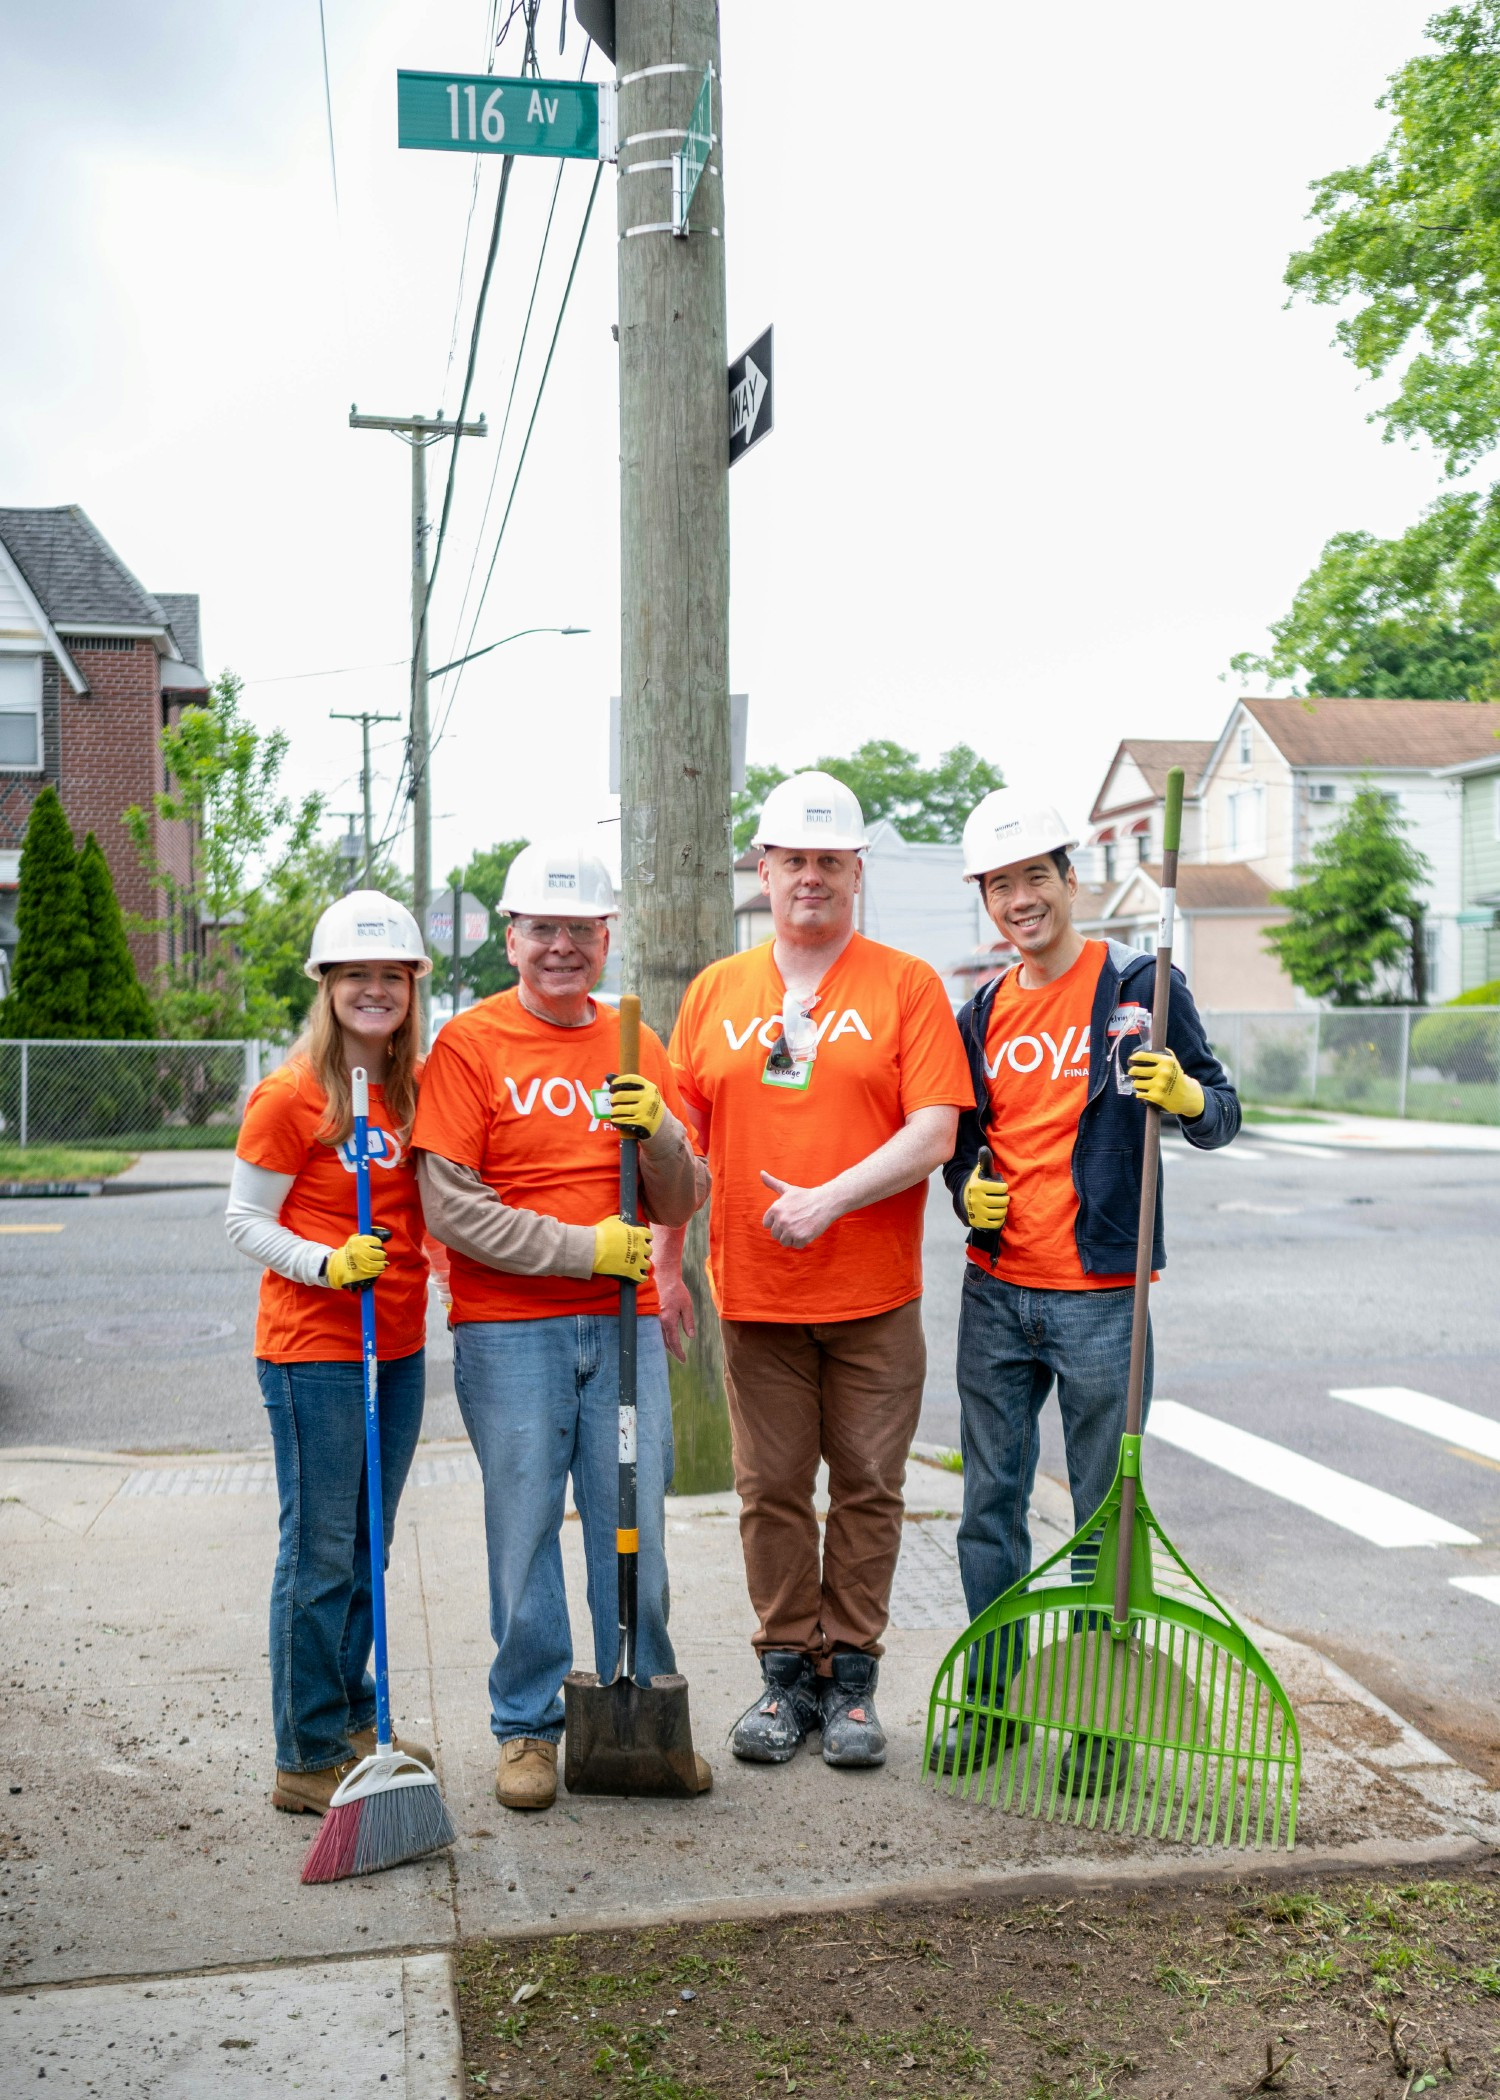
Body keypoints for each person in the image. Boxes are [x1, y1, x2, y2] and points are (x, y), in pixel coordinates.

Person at [660, 771, 973, 1770]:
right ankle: (786, 1678)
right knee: (771, 1491)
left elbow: (934, 1132)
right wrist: (667, 1267)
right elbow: (678, 1151)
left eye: (829, 861)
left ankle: (854, 1688)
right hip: (752, 1294)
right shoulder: (716, 993)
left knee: (872, 1490)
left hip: (875, 1295)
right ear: (763, 867)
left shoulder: (905, 984)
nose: (810, 877)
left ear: (855, 872)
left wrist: (830, 1197)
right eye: (793, 858)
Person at [936, 789, 1240, 1786]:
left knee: (1104, 1514)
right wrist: (967, 1193)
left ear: (1071, 880)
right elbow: (964, 1152)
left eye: (1035, 878)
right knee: (990, 1507)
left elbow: (1222, 1111)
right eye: (1000, 886)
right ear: (986, 900)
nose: (1020, 900)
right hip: (997, 1296)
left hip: (1105, 1295)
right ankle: (994, 1700)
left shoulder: (1144, 984)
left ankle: (1101, 1714)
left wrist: (1187, 1096)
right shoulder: (979, 1010)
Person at [411, 841, 710, 1813]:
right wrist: (587, 1250)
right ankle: (527, 1729)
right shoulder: (469, 1046)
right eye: (543, 928)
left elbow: (685, 1195)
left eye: (580, 929)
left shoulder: (636, 1043)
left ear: (604, 937)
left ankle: (643, 1711)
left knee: (636, 1528)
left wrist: (657, 1127)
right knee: (525, 1530)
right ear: (510, 937)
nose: (562, 947)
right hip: (511, 1336)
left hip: (620, 1334)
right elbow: (452, 1206)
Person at [226, 890, 435, 1815]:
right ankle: (304, 1752)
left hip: (396, 1346)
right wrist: (323, 1262)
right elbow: (243, 1220)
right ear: (328, 985)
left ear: (412, 986)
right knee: (318, 1554)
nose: (375, 990)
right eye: (357, 975)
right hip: (316, 1348)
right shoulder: (291, 1094)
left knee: (367, 1546)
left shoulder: (415, 1087)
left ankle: (352, 1714)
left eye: (391, 975)